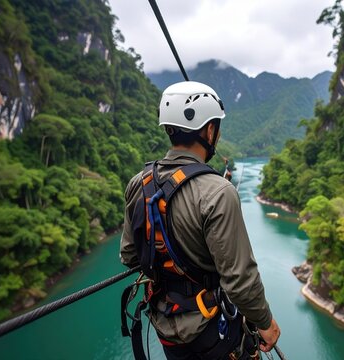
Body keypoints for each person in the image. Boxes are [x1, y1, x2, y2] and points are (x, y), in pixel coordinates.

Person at [120, 81, 280, 359]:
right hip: (211, 330)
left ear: (169, 128)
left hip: (164, 327)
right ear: (209, 130)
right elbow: (240, 280)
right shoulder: (219, 191)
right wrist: (266, 323)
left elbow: (129, 255)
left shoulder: (139, 183)